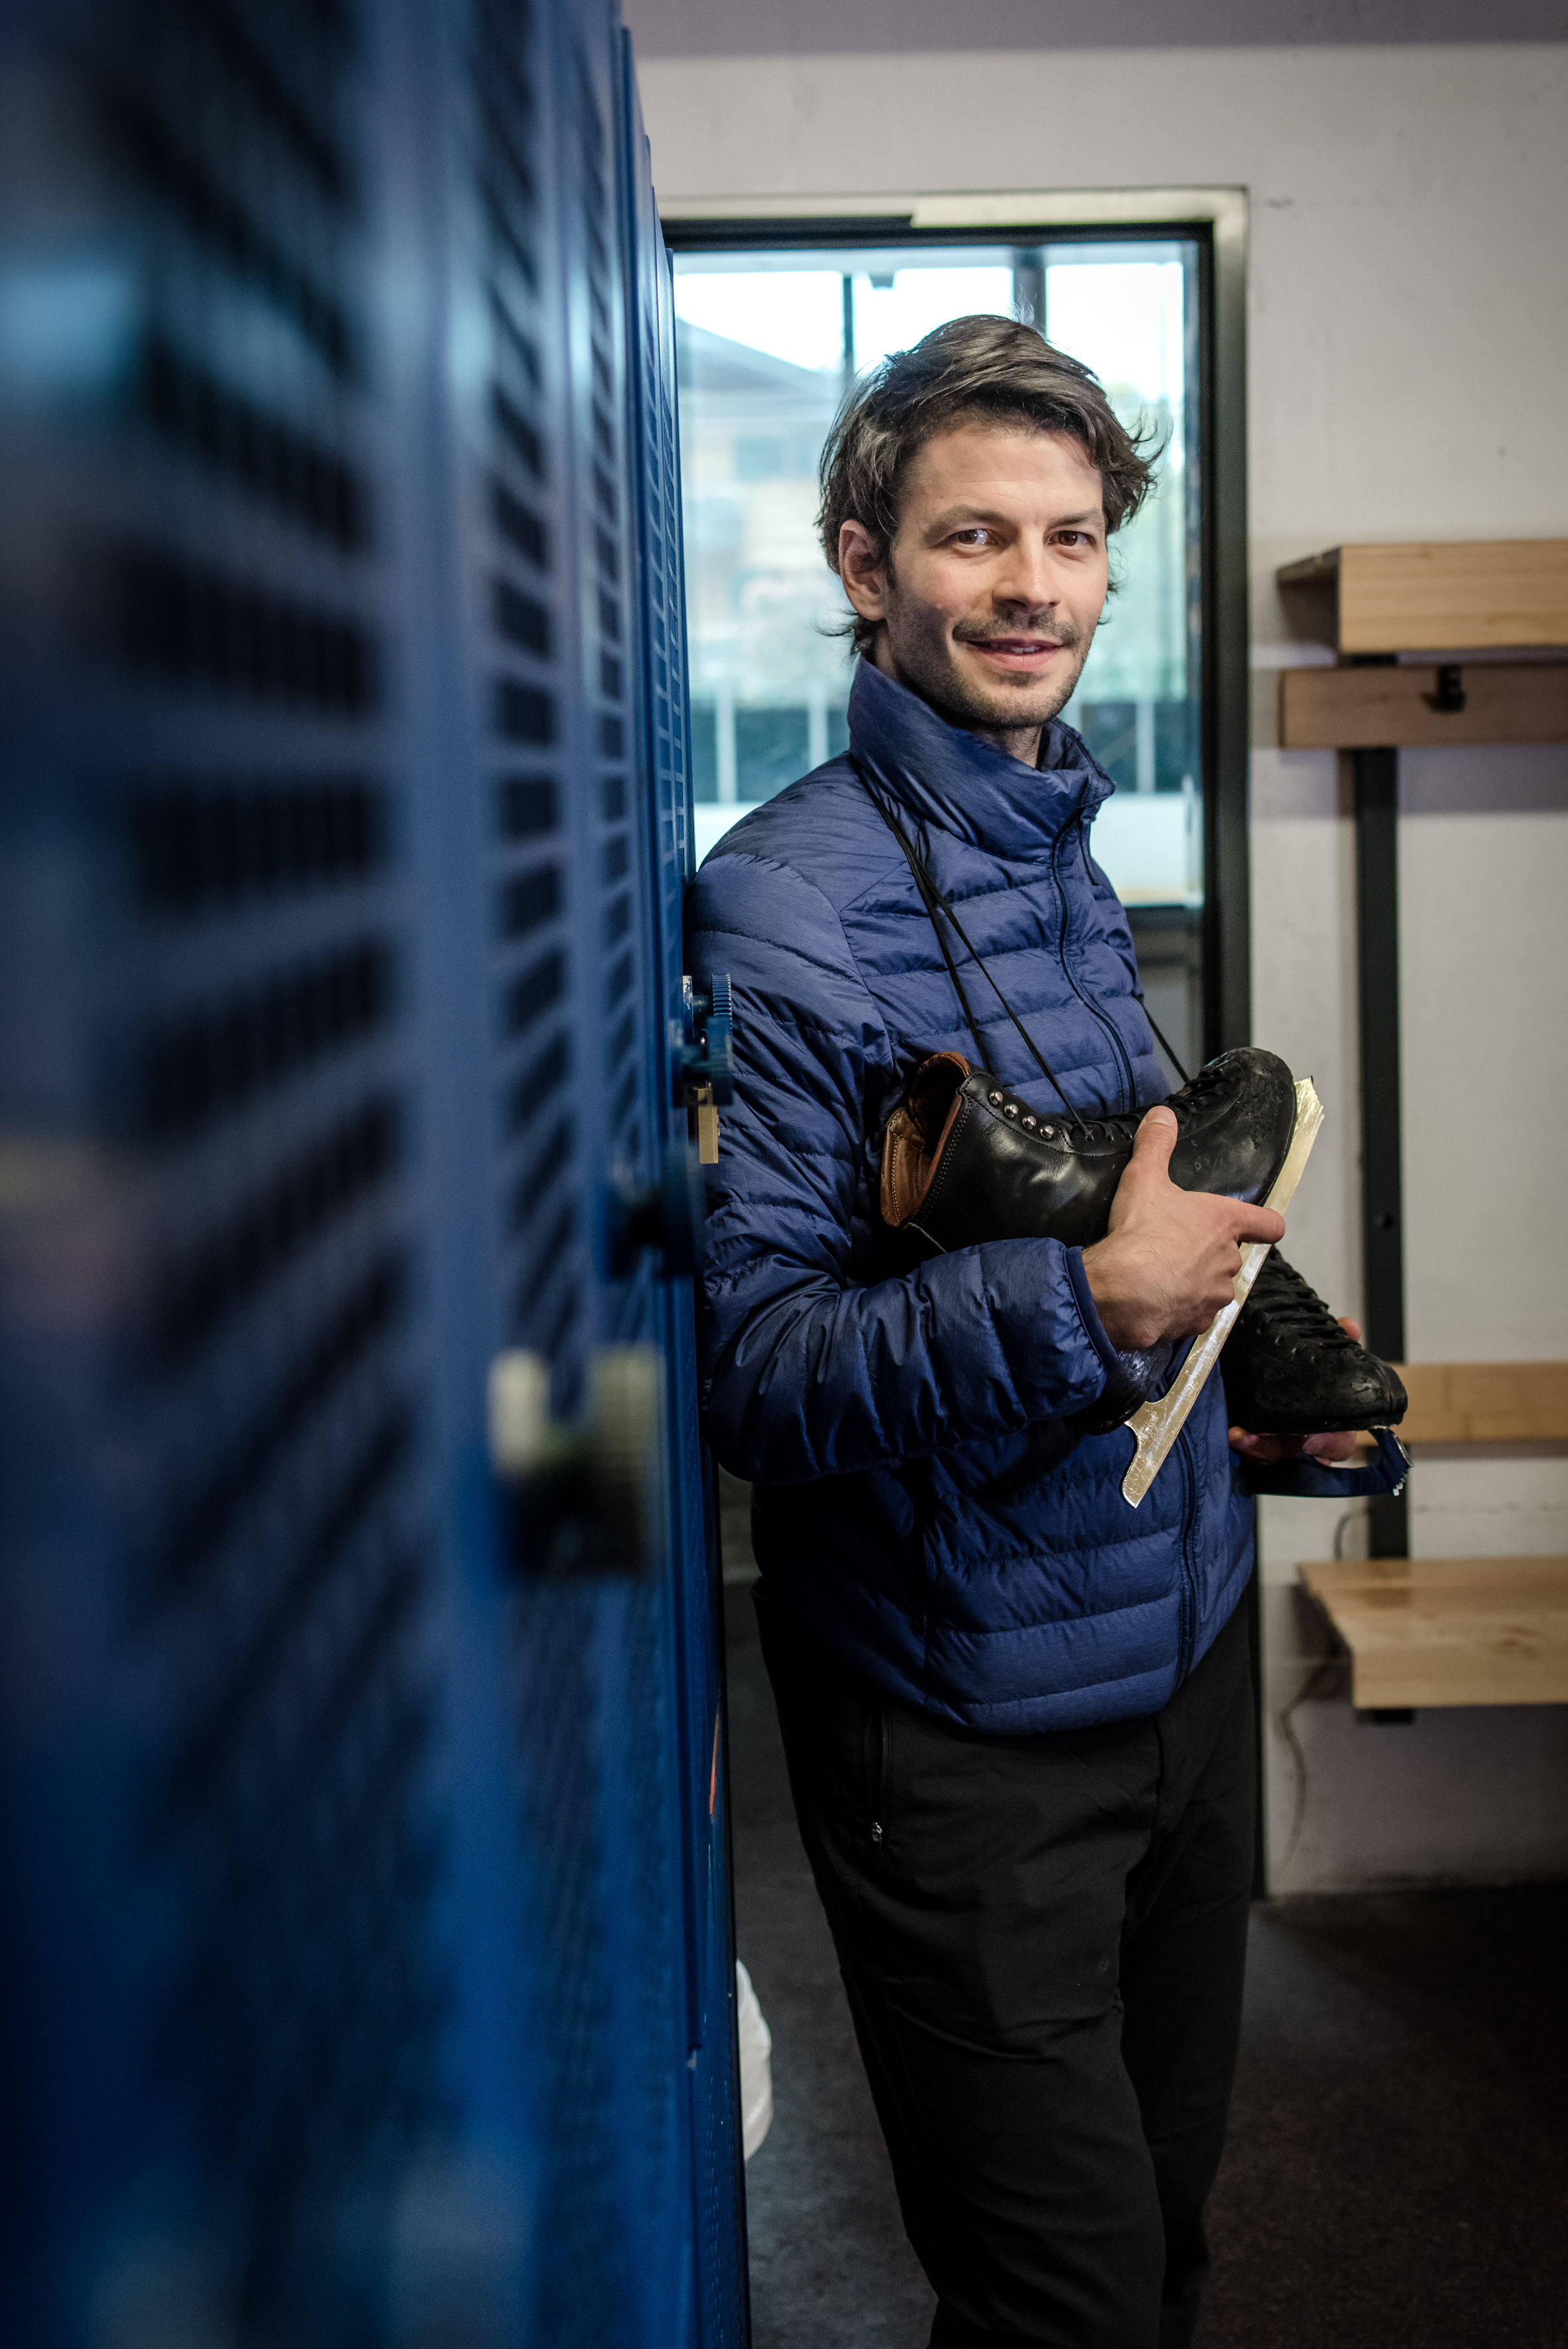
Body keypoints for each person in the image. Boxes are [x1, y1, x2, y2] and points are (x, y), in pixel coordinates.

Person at [684, 316, 1402, 2349]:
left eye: (1074, 539)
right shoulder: (785, 904)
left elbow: (1105, 1212)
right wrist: (1091, 1306)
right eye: (975, 537)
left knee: (1161, 2249)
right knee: (1059, 2297)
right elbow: (763, 1370)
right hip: (965, 1724)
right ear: (861, 566)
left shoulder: (1056, 844)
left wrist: (1222, 1388)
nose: (1034, 588)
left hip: (1173, 1662)